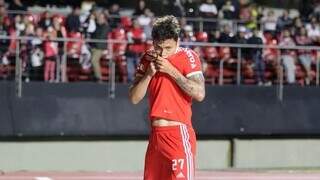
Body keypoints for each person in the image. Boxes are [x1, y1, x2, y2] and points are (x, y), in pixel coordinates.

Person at [129, 15, 205, 180]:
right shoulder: (147, 58)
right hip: (156, 136)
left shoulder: (189, 56)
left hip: (178, 134)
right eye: (158, 47)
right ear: (153, 42)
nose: (162, 53)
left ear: (177, 41)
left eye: (168, 48)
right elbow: (134, 98)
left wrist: (171, 70)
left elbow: (199, 93)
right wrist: (149, 74)